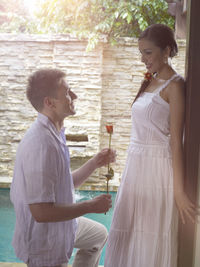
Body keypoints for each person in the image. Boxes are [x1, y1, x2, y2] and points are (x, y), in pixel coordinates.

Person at [104, 24, 199, 267]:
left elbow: (176, 142)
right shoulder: (151, 80)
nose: (143, 59)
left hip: (157, 169)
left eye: (148, 52)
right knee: (128, 232)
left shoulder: (175, 86)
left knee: (148, 237)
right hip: (136, 166)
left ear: (166, 50)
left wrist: (178, 192)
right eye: (141, 53)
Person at [10, 68, 116, 267]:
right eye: (67, 92)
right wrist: (90, 206)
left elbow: (65, 184)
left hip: (62, 226)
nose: (74, 95)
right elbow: (41, 212)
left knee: (98, 234)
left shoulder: (54, 133)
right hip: (45, 242)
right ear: (49, 102)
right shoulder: (42, 144)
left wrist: (95, 162)